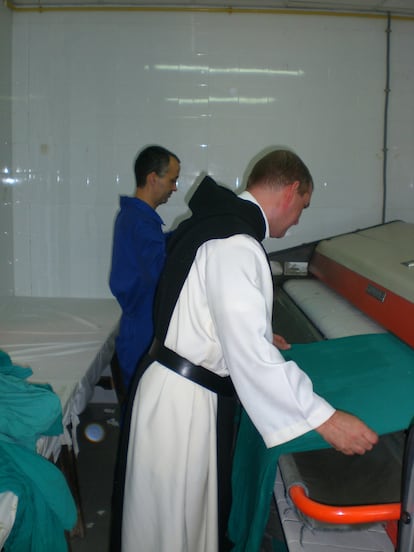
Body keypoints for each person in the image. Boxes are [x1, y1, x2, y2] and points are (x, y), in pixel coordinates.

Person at [111, 149, 378, 552]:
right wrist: (325, 419)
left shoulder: (221, 225)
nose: (299, 219)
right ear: (290, 191)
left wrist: (244, 332)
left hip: (177, 391)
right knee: (169, 532)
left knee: (176, 524)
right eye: (303, 207)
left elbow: (201, 304)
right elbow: (251, 355)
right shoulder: (237, 242)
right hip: (181, 405)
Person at [109, 145, 180, 399]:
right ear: (153, 178)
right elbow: (162, 271)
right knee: (140, 423)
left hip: (140, 329)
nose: (174, 188)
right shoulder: (140, 223)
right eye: (172, 180)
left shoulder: (137, 220)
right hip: (142, 333)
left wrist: (179, 236)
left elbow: (156, 253)